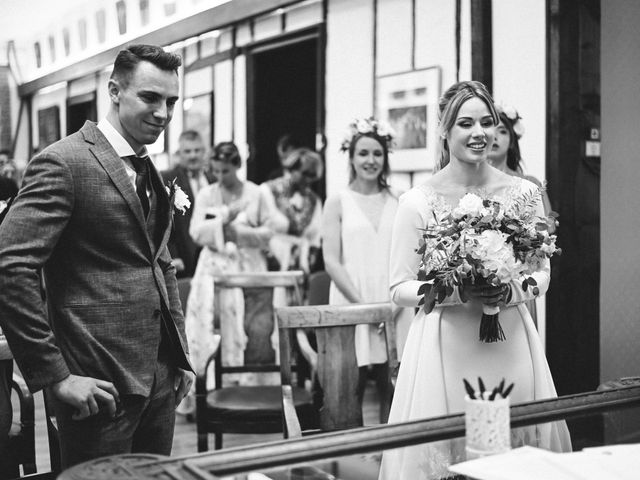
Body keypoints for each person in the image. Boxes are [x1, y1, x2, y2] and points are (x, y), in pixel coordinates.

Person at [0, 44, 194, 468]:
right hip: (98, 383)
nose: (163, 113)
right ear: (115, 90)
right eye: (150, 97)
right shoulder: (64, 162)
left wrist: (179, 357)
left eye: (171, 101)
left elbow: (157, 261)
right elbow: (10, 266)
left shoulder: (150, 170)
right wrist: (55, 376)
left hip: (161, 380)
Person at [378, 81, 571, 480]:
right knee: (452, 460)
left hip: (511, 341)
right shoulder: (417, 202)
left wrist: (509, 288)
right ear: (445, 131)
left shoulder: (524, 194)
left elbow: (541, 272)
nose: (478, 132)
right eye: (465, 123)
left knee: (514, 454)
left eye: (487, 122)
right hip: (445, 348)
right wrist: (456, 289)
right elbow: (399, 288)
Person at [182, 141, 285, 412]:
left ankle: (253, 386)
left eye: (225, 171)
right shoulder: (206, 194)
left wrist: (241, 234)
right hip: (215, 267)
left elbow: (270, 230)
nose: (220, 177)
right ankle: (215, 388)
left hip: (250, 265)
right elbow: (196, 231)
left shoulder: (257, 193)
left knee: (255, 325)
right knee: (216, 324)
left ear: (237, 166)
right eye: (215, 171)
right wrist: (223, 222)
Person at [321, 117, 412, 423]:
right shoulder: (337, 202)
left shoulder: (401, 199)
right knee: (351, 384)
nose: (370, 160)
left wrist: (392, 308)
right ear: (351, 157)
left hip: (394, 301)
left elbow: (412, 256)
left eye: (377, 153)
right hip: (352, 300)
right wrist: (365, 308)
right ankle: (354, 453)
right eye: (363, 153)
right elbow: (331, 260)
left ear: (385, 158)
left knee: (393, 381)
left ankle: (390, 452)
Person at [487, 103, 554, 230]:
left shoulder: (530, 183)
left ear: (512, 141)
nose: (495, 137)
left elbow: (548, 227)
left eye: (502, 131)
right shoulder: (469, 182)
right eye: (490, 131)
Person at [261, 147, 324, 277]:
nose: (308, 180)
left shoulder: (314, 201)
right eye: (304, 174)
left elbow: (315, 240)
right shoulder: (267, 191)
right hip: (269, 266)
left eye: (313, 176)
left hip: (300, 269)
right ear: (291, 169)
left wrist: (306, 264)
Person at [162, 130, 215, 278]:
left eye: (197, 150)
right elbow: (163, 221)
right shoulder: (168, 179)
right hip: (183, 258)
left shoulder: (213, 179)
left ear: (204, 152)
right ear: (180, 154)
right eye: (187, 151)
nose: (193, 155)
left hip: (210, 258)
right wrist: (172, 255)